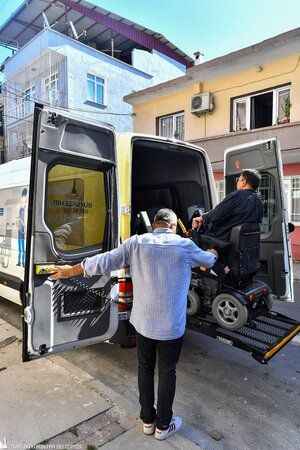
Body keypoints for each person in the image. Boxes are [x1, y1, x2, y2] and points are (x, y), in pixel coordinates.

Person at [50, 208, 218, 441]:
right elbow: (208, 261)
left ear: (155, 224)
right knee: (167, 372)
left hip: (144, 324)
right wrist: (213, 252)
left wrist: (71, 271)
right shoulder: (184, 246)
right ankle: (164, 426)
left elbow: (104, 261)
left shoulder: (136, 243)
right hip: (171, 327)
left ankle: (147, 421)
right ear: (171, 225)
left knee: (145, 369)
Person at [192, 169, 263, 241]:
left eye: (238, 179)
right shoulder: (259, 201)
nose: (237, 182)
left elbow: (217, 213)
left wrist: (202, 218)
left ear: (244, 181)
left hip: (224, 242)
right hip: (246, 245)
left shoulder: (237, 195)